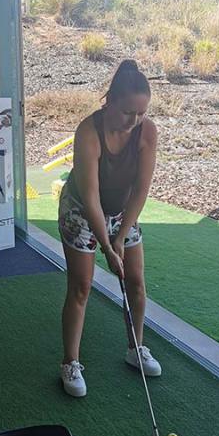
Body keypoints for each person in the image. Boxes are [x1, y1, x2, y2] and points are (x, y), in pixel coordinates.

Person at [58, 59, 161, 397]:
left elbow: (142, 188)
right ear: (110, 102)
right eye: (128, 112)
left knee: (136, 281)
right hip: (81, 211)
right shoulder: (89, 132)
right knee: (81, 287)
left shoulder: (147, 131)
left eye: (141, 113)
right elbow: (89, 197)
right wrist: (107, 246)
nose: (134, 121)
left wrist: (121, 237)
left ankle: (136, 348)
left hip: (122, 212)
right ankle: (70, 363)